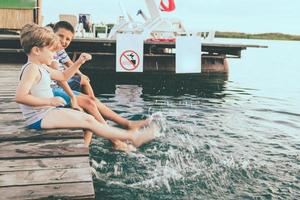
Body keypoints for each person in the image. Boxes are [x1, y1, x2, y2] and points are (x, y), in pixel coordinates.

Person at [15, 23, 156, 149]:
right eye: (51, 51)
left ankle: (98, 145)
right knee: (88, 120)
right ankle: (131, 137)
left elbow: (63, 76)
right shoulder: (32, 68)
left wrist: (79, 62)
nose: (54, 54)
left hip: (47, 112)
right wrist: (49, 101)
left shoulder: (42, 67)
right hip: (39, 117)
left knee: (88, 118)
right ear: (36, 50)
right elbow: (20, 97)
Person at [50, 21, 150, 148]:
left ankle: (123, 123)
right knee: (89, 103)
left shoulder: (59, 50)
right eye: (61, 36)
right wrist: (73, 94)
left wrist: (81, 75)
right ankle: (114, 140)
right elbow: (60, 78)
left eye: (68, 39)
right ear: (53, 34)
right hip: (51, 91)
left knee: (87, 88)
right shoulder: (49, 52)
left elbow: (69, 65)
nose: (64, 41)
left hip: (57, 85)